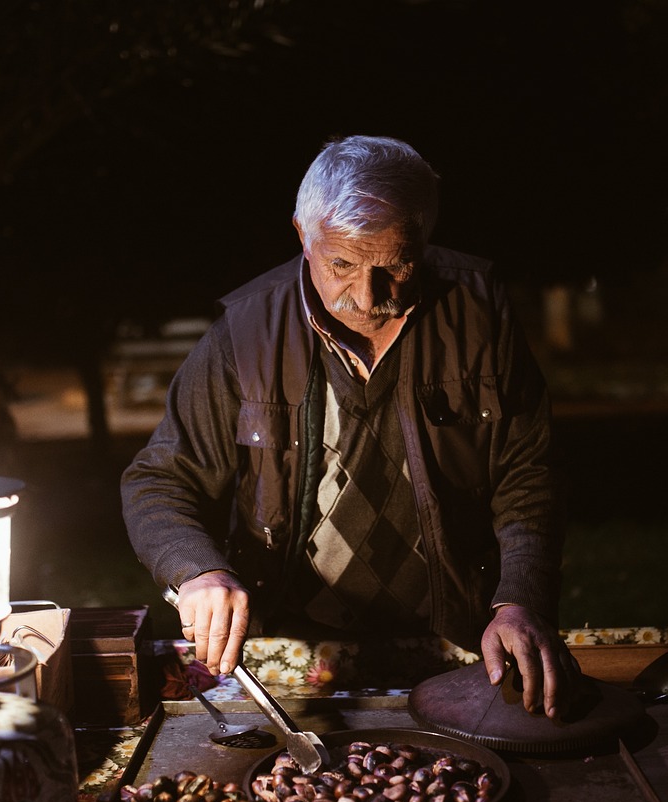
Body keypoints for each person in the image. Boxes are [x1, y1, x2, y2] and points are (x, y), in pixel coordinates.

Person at [121, 135, 579, 719]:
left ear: (426, 240)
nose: (367, 297)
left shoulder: (481, 314)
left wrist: (520, 599)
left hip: (466, 636)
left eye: (395, 266)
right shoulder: (246, 333)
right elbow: (160, 479)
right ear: (301, 235)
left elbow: (530, 472)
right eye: (341, 264)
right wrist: (198, 571)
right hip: (292, 643)